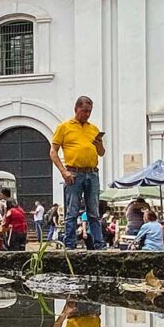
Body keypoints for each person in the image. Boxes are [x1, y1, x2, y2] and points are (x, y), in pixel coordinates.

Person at [50, 96, 106, 250]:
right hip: (74, 172)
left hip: (92, 173)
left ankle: (99, 245)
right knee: (72, 211)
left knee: (94, 212)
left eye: (89, 111)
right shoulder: (64, 127)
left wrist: (99, 144)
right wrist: (63, 171)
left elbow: (101, 153)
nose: (86, 114)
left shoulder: (93, 129)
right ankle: (70, 245)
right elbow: (53, 151)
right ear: (76, 109)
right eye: (84, 111)